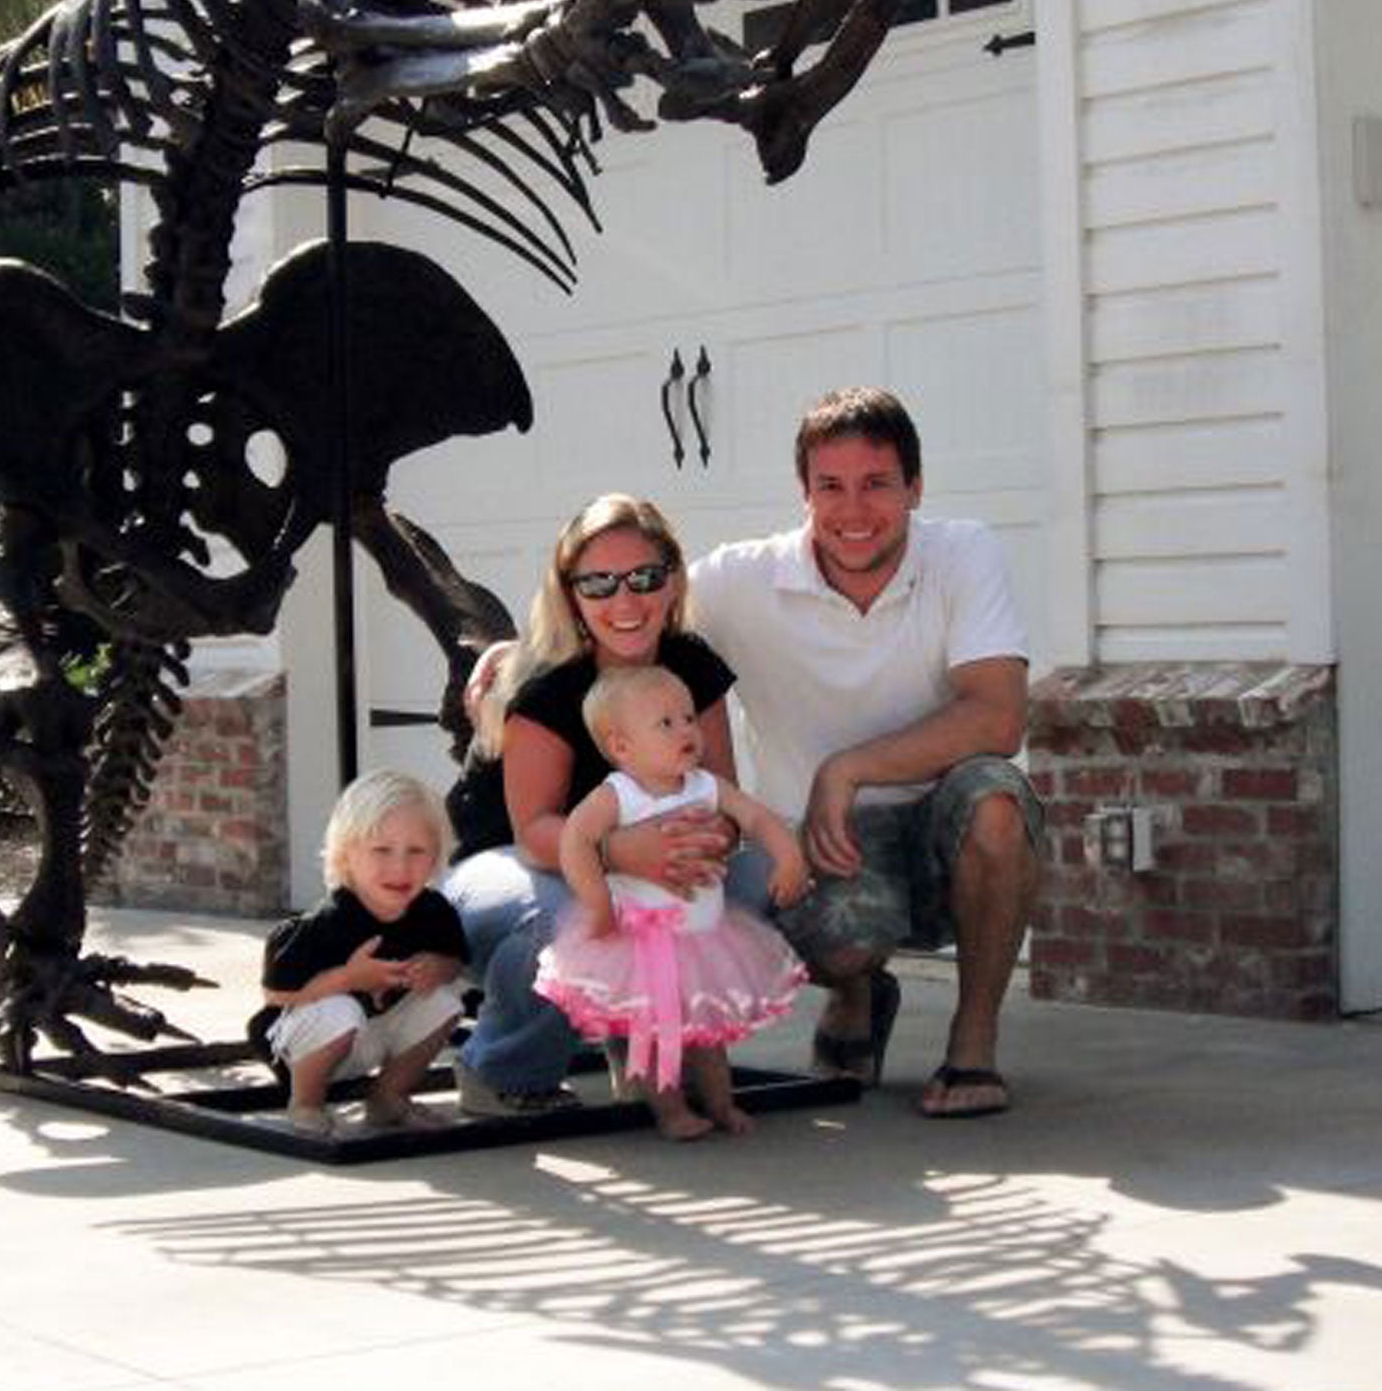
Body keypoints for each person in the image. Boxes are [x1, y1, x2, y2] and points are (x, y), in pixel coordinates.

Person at [689, 387, 1045, 1118]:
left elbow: (999, 715)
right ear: (804, 492)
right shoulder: (738, 580)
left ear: (915, 486)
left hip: (942, 827)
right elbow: (620, 610)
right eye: (831, 487)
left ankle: (972, 1044)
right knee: (843, 945)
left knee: (998, 801)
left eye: (877, 484)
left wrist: (846, 769)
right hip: (823, 846)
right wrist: (510, 657)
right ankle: (855, 990)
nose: (853, 511)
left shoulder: (963, 552)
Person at [442, 493, 779, 1116]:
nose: (624, 602)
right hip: (515, 867)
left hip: (627, 856)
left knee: (751, 880)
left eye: (644, 578)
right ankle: (505, 1067)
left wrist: (708, 844)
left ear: (673, 582)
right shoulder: (546, 686)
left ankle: (649, 1047)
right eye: (598, 583)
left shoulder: (691, 664)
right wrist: (623, 852)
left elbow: (721, 792)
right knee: (567, 914)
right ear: (571, 594)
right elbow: (535, 831)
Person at [535, 664, 808, 1139]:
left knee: (707, 1033)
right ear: (621, 746)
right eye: (666, 723)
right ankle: (669, 1109)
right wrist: (597, 901)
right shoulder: (619, 795)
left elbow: (757, 817)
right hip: (642, 937)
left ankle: (720, 1102)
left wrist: (788, 855)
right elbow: (574, 841)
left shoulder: (705, 785)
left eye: (688, 718)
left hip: (704, 936)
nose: (686, 730)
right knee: (655, 1031)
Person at [252, 769, 468, 1135]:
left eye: (416, 851)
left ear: (435, 858)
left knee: (445, 1003)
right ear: (346, 855)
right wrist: (349, 978)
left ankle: (388, 1097)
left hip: (374, 1034)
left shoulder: (433, 911)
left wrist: (437, 968)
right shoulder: (329, 920)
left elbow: (455, 959)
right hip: (307, 1046)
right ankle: (305, 1102)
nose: (399, 867)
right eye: (381, 850)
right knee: (340, 1009)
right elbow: (276, 992)